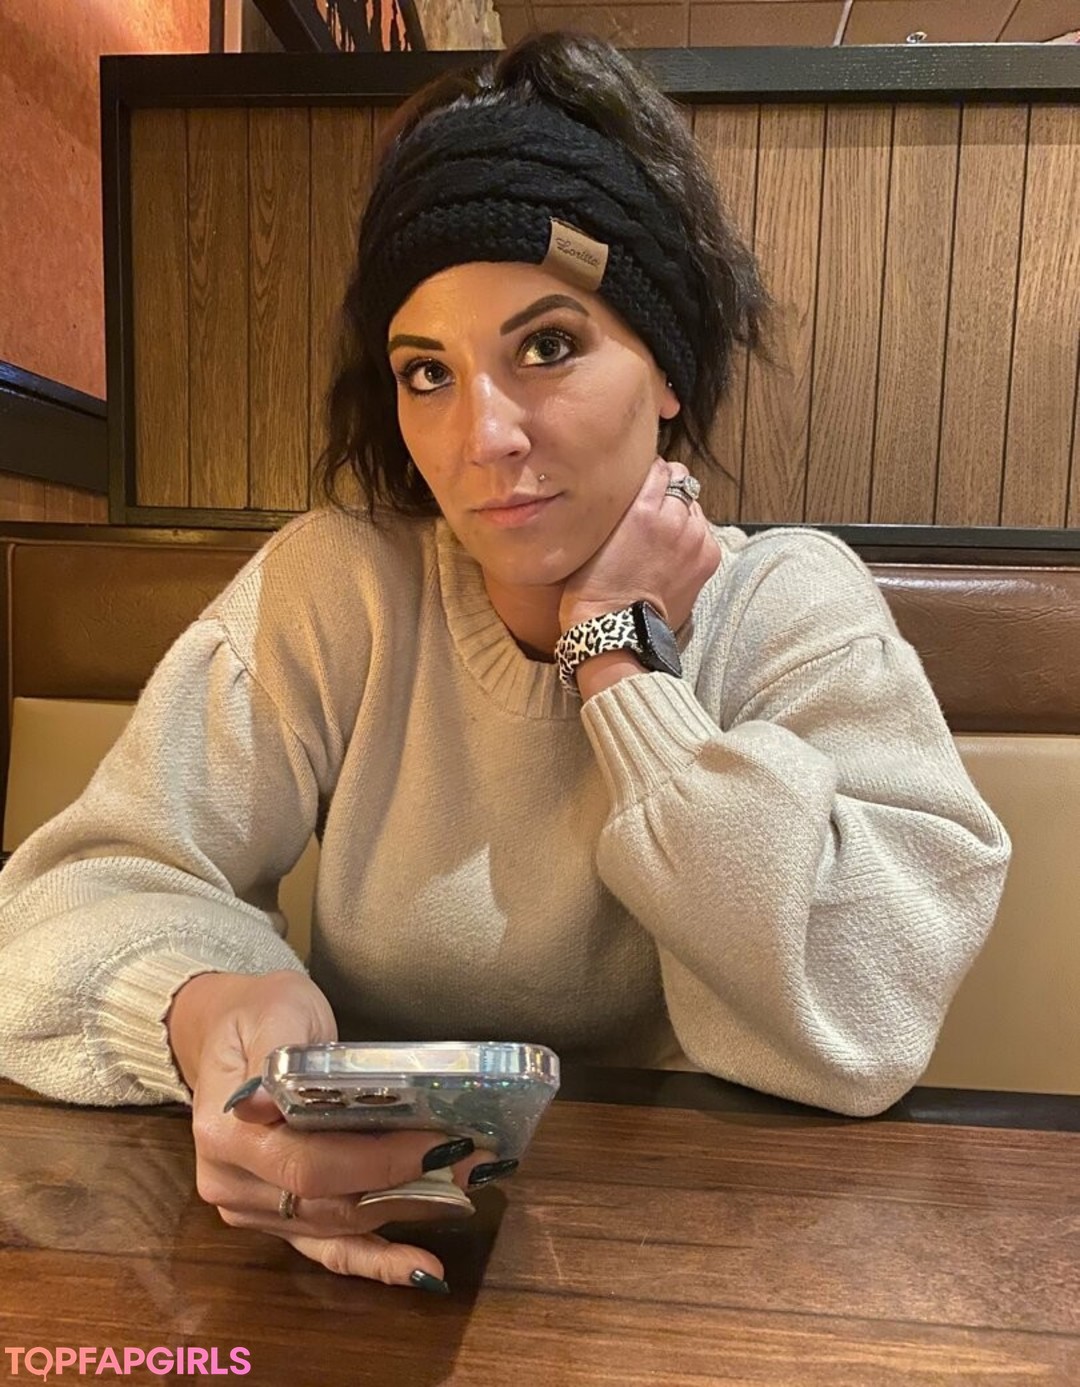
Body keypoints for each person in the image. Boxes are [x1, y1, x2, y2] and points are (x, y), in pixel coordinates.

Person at [0, 31, 1009, 1293]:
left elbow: (864, 1018)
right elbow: (65, 899)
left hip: (704, 1261)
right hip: (352, 1246)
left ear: (667, 372)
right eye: (427, 371)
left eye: (548, 346)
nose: (484, 436)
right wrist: (199, 1006)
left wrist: (617, 659)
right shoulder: (344, 588)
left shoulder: (785, 605)